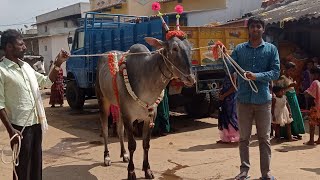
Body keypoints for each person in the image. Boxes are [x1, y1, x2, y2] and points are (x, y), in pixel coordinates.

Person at [0, 29, 69, 180]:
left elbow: (46, 82)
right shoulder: (1, 71)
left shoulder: (26, 67)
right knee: (22, 169)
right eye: (21, 44)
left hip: (36, 123)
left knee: (36, 167)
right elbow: (0, 105)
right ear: (9, 47)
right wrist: (11, 130)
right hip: (19, 128)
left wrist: (58, 63)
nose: (25, 47)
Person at [231, 17, 280, 180]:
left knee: (264, 138)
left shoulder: (271, 49)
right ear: (248, 29)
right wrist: (221, 54)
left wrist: (256, 76)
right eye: (252, 26)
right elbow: (230, 68)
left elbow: (275, 72)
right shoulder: (239, 49)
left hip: (263, 101)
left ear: (263, 29)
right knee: (244, 138)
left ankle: (266, 173)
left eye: (259, 26)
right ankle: (244, 171)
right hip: (243, 100)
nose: (256, 29)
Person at [276, 62, 305, 140]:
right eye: (290, 70)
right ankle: (288, 134)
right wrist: (290, 86)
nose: (292, 72)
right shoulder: (282, 78)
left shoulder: (291, 78)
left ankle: (296, 132)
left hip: (294, 98)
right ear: (286, 69)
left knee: (296, 115)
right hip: (288, 99)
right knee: (288, 116)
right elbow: (279, 90)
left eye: (293, 71)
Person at [217, 73, 239, 143]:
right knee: (225, 116)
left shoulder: (233, 74)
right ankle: (227, 137)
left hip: (231, 98)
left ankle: (235, 136)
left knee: (231, 117)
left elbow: (233, 87)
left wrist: (224, 95)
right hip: (225, 98)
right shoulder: (227, 73)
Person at [304, 67, 320, 145]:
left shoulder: (315, 82)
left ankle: (311, 140)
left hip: (315, 106)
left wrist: (305, 92)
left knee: (312, 123)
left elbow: (309, 93)